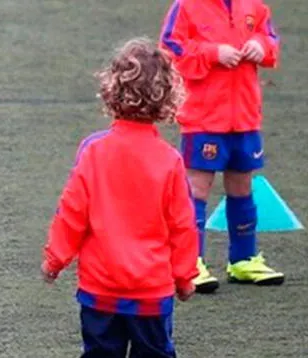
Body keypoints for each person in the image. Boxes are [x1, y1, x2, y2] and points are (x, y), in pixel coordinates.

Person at [40, 38, 198, 358]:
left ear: (112, 90)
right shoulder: (169, 160)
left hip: (100, 289)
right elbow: (182, 224)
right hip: (151, 292)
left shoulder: (94, 151)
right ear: (167, 96)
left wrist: (55, 259)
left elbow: (72, 211)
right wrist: (184, 276)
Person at [160, 0, 284, 294]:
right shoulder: (187, 6)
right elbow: (170, 50)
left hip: (245, 117)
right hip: (203, 118)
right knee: (196, 190)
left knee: (242, 187)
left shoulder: (254, 5)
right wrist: (213, 53)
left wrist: (260, 46)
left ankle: (243, 260)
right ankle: (191, 264)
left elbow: (271, 41)